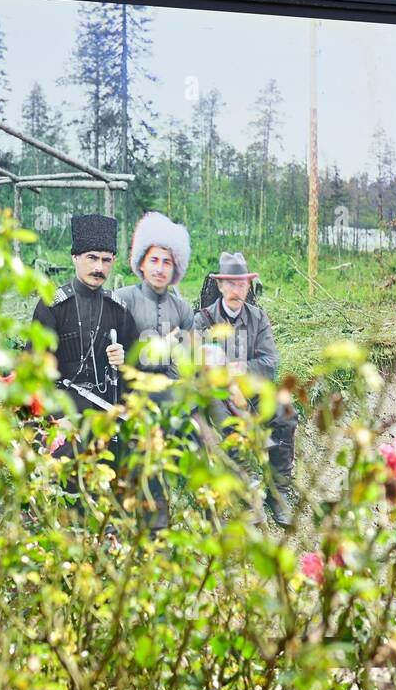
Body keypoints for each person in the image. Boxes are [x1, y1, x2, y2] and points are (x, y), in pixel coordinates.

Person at [193, 251, 297, 527]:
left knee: (285, 414)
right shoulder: (202, 320)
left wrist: (240, 369)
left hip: (252, 390)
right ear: (219, 285)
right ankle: (245, 495)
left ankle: (280, 492)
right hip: (218, 394)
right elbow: (196, 364)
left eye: (241, 284)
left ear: (248, 286)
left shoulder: (258, 318)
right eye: (230, 283)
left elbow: (270, 362)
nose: (235, 290)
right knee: (229, 426)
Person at [111, 211, 196, 529]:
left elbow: (184, 364)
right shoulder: (122, 300)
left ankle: (158, 518)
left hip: (166, 392)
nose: (160, 269)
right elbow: (112, 354)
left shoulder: (183, 310)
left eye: (167, 262)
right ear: (141, 262)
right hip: (125, 388)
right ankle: (122, 513)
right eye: (155, 260)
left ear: (175, 269)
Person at [31, 212, 139, 415]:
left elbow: (135, 370)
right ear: (75, 257)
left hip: (107, 411)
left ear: (114, 260)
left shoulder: (117, 309)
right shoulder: (52, 306)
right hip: (61, 411)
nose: (99, 267)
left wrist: (122, 362)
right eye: (92, 258)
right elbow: (33, 370)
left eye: (106, 260)